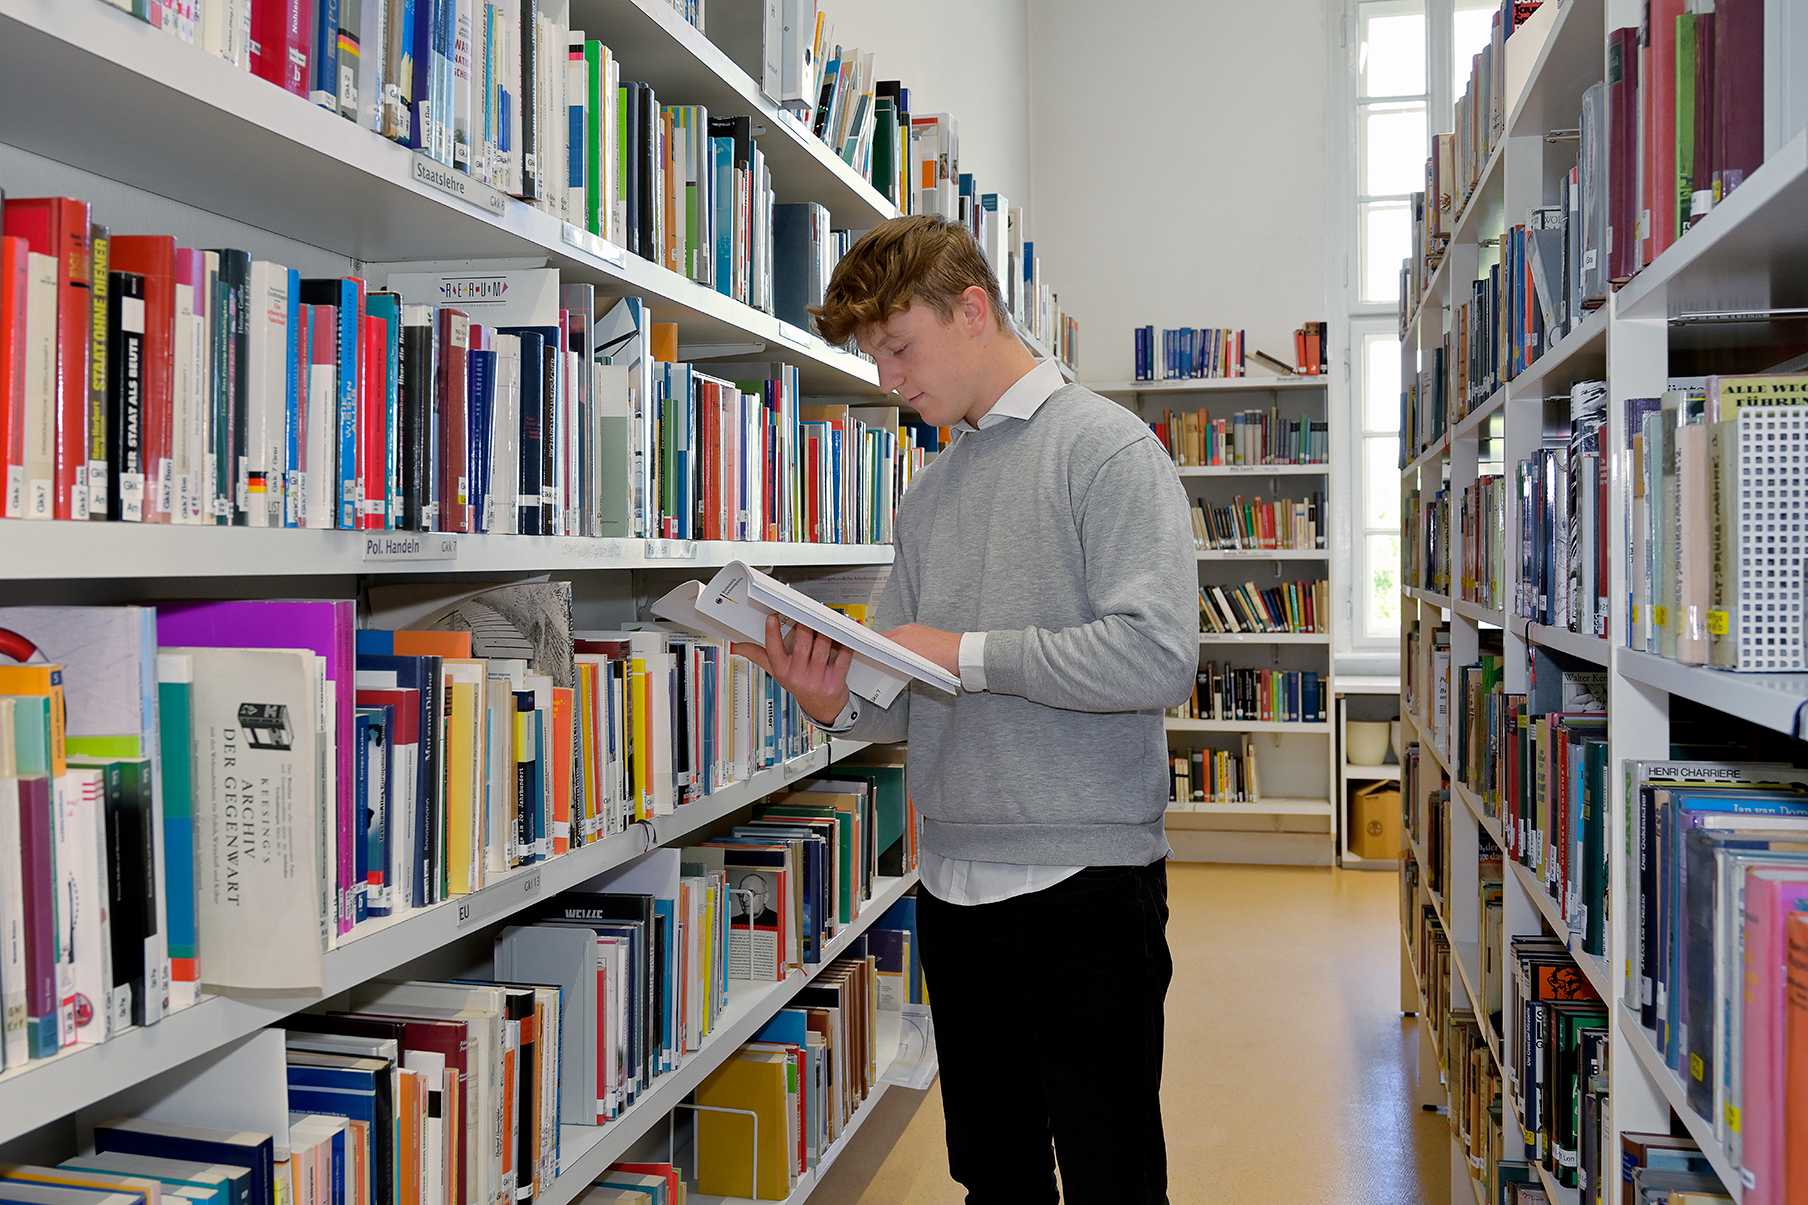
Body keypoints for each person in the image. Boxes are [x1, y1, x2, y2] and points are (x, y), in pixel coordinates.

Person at [731, 214, 1196, 1204]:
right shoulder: (927, 491)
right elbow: (907, 687)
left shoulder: (1106, 450)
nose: (888, 378)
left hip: (1084, 882)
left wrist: (966, 652)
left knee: (1111, 1172)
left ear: (972, 307)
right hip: (951, 884)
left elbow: (1156, 654)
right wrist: (835, 701)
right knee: (993, 1173)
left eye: (899, 347)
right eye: (873, 357)